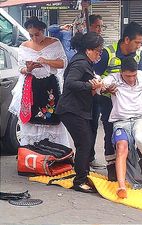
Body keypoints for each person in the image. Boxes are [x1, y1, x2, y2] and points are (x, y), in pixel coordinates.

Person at [96, 56, 142, 198]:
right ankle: (122, 186)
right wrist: (105, 89)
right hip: (120, 121)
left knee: (141, 140)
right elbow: (100, 86)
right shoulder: (113, 79)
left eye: (134, 75)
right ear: (121, 73)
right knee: (121, 147)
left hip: (140, 119)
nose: (132, 79)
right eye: (128, 76)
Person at [92, 21, 142, 181]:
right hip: (109, 103)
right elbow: (94, 76)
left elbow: (141, 77)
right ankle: (112, 170)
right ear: (127, 40)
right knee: (111, 134)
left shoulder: (139, 55)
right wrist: (106, 88)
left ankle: (133, 168)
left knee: (136, 135)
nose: (139, 46)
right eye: (137, 42)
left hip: (131, 104)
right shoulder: (108, 53)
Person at [8, 16, 69, 147]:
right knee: (31, 118)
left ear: (43, 30)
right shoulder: (24, 46)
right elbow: (21, 68)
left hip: (50, 86)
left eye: (37, 34)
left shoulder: (55, 42)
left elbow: (63, 63)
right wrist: (28, 68)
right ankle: (33, 152)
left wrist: (46, 61)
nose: (35, 38)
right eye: (31, 35)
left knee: (51, 116)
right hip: (31, 86)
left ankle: (54, 151)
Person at [56, 32, 104, 193]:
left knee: (86, 142)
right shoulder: (80, 63)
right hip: (71, 109)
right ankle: (80, 181)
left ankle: (83, 174)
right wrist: (90, 86)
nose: (99, 54)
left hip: (77, 109)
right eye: (98, 51)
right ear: (88, 50)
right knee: (84, 143)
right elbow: (70, 83)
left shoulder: (83, 61)